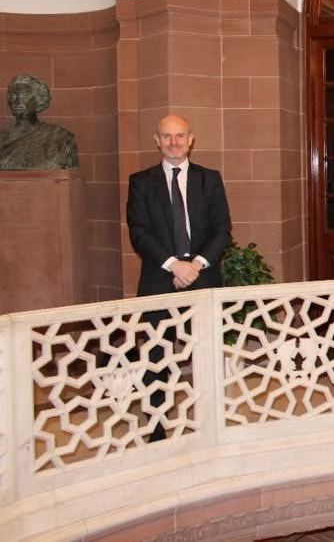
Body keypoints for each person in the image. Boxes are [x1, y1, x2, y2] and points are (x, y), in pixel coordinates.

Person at [126, 114, 232, 441]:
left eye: (180, 135)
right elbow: (139, 232)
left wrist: (195, 266)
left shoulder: (209, 179)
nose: (174, 142)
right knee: (157, 355)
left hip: (203, 277)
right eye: (167, 136)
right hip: (160, 278)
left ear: (191, 139)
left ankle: (212, 422)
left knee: (207, 353)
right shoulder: (141, 182)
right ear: (157, 140)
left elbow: (222, 229)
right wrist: (174, 265)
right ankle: (157, 426)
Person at [0, 73, 78, 170]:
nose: (18, 102)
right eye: (12, 97)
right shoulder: (2, 139)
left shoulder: (59, 138)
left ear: (39, 98)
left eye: (25, 96)